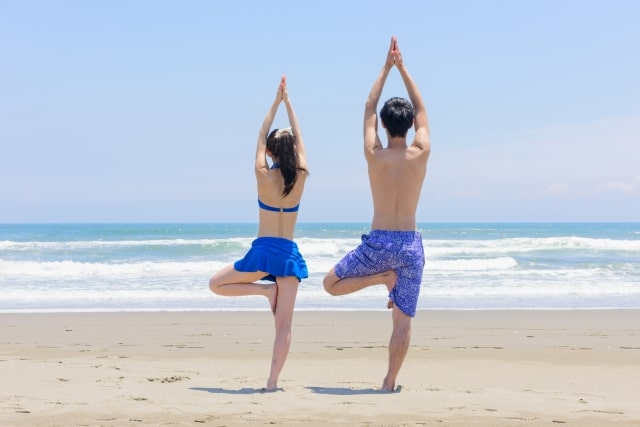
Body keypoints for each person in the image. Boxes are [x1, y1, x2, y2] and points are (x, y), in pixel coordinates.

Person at [323, 36, 430, 392]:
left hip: (381, 242)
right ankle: (389, 384)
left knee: (330, 285)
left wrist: (386, 67)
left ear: (384, 127)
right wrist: (404, 67)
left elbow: (368, 107)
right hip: (411, 245)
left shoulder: (374, 154)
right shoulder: (421, 152)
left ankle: (382, 278)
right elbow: (422, 107)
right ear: (411, 125)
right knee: (403, 323)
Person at [209, 76, 308, 392]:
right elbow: (299, 138)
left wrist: (276, 102)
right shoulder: (302, 175)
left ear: (270, 151)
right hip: (288, 255)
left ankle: (265, 292)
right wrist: (290, 105)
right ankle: (271, 384)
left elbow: (260, 135)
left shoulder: (262, 175)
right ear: (293, 149)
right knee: (284, 327)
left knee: (216, 284)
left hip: (264, 252)